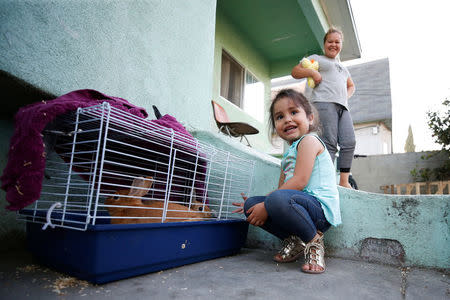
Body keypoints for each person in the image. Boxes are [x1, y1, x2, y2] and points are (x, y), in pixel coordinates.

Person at [233, 89, 341, 274]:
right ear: (276, 126)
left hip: (319, 212)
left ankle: (314, 242)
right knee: (252, 205)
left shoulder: (309, 141)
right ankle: (296, 240)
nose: (288, 119)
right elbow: (282, 190)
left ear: (310, 118)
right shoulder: (287, 157)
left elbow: (299, 181)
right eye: (280, 116)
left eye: (294, 112)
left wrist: (267, 203)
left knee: (273, 200)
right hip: (297, 207)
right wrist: (261, 203)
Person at [291, 27, 356, 188]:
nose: (333, 44)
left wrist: (344, 96)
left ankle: (344, 181)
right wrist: (313, 74)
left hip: (343, 108)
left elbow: (351, 86)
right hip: (323, 103)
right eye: (330, 41)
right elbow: (295, 71)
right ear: (324, 44)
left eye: (337, 42)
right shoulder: (317, 59)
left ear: (341, 45)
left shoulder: (344, 68)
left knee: (349, 142)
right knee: (329, 143)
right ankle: (325, 181)